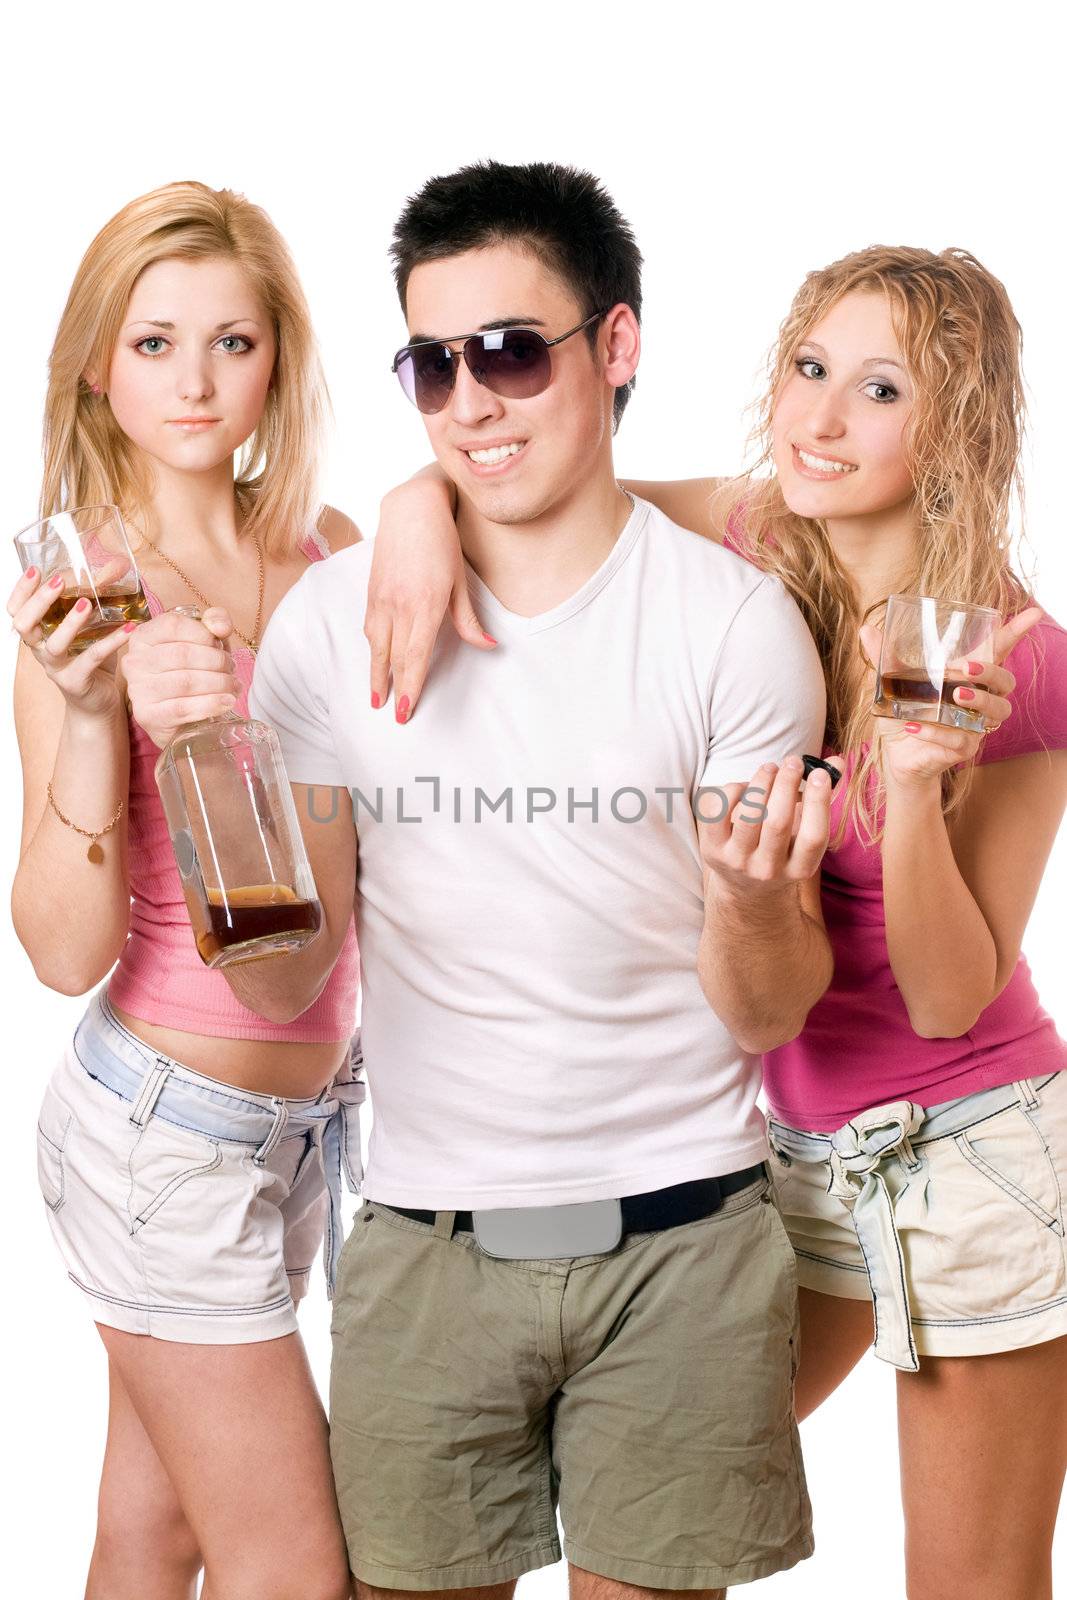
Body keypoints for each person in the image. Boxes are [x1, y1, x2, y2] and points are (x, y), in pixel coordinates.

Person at [368, 243, 1067, 1599]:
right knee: (625, 1505)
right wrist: (410, 504)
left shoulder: (1025, 662)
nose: (817, 418)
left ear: (959, 426)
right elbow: (543, 492)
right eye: (810, 369)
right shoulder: (756, 540)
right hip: (783, 1156)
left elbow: (944, 997)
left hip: (970, 1154)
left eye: (876, 390)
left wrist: (915, 791)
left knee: (973, 1587)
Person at [222, 160, 838, 1597]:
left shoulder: (733, 628)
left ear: (616, 348)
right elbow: (289, 974)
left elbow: (765, 1011)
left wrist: (750, 901)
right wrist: (211, 790)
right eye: (430, 368)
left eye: (506, 351)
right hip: (429, 1247)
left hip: (682, 1242)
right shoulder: (328, 626)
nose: (471, 403)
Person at [11, 182, 362, 1600]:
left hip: (306, 1126)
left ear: (279, 357)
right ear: (99, 365)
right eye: (154, 344)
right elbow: (55, 945)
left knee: (152, 1539)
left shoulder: (332, 552)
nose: (197, 381)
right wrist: (98, 716)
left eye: (233, 341)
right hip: (163, 1139)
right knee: (299, 1571)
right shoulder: (83, 592)